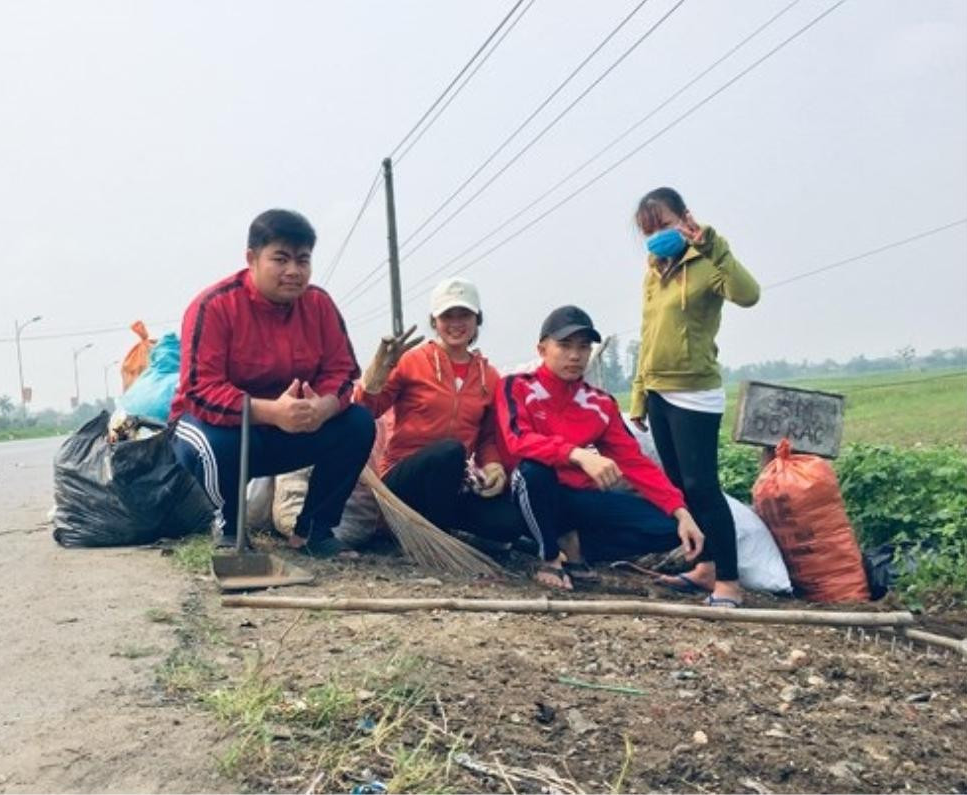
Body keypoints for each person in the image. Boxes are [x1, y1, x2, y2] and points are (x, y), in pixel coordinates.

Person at [170, 209, 375, 557]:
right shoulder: (214, 306)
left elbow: (342, 373)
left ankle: (314, 532)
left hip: (291, 429)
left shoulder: (319, 305)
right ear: (252, 258)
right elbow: (201, 392)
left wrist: (322, 408)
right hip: (219, 431)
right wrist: (271, 412)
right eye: (280, 259)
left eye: (303, 260)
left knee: (357, 423)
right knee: (215, 441)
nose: (294, 271)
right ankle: (229, 529)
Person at [496, 305, 706, 592]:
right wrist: (577, 454)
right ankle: (549, 557)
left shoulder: (600, 404)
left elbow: (635, 462)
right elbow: (518, 440)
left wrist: (680, 511)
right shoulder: (517, 387)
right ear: (542, 349)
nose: (575, 355)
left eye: (583, 347)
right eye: (565, 345)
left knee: (669, 528)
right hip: (530, 496)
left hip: (577, 499)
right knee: (533, 471)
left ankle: (579, 546)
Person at [630, 187, 760, 606]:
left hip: (695, 393)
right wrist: (639, 393)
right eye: (648, 230)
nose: (656, 236)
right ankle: (704, 568)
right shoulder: (654, 272)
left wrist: (712, 244)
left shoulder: (706, 265)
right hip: (659, 391)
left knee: (703, 486)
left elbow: (748, 294)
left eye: (664, 225)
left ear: (685, 219)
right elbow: (648, 334)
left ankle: (730, 583)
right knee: (679, 487)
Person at [354, 278, 522, 549]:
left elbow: (488, 437)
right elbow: (366, 410)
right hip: (403, 477)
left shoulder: (488, 377)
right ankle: (436, 538)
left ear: (477, 320)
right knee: (448, 451)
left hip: (452, 481)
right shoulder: (411, 361)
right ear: (434, 321)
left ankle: (439, 526)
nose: (456, 323)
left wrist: (493, 467)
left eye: (464, 315)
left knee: (508, 524)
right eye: (447, 316)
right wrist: (376, 376)